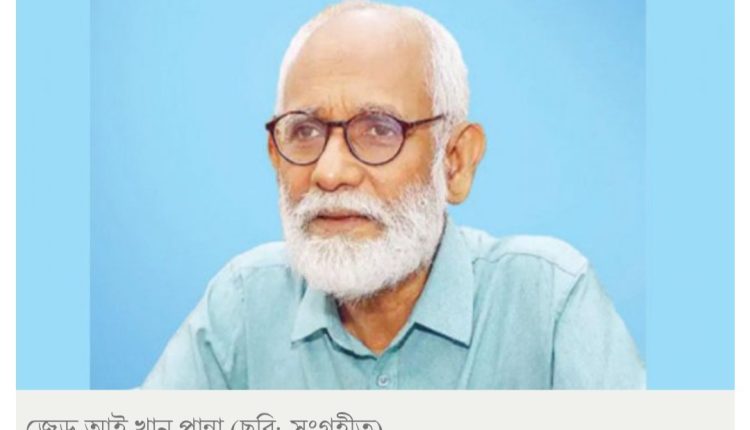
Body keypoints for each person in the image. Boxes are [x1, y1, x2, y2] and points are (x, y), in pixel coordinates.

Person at [142, 0, 645, 389]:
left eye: (380, 130)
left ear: (455, 162)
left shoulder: (548, 302)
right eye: (305, 131)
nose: (330, 172)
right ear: (275, 155)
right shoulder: (243, 303)